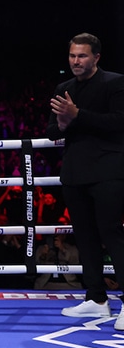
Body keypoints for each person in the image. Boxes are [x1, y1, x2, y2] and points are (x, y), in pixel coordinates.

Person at [46, 32, 124, 327]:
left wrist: (78, 115)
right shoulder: (64, 88)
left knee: (111, 233)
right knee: (85, 237)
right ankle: (96, 299)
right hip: (75, 173)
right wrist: (65, 122)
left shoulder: (114, 83)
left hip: (109, 171)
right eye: (72, 56)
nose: (76, 61)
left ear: (96, 57)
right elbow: (52, 130)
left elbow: (119, 122)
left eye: (82, 56)